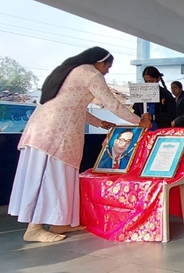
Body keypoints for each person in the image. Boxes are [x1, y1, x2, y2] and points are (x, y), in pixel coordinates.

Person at [9, 47, 151, 243]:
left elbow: (74, 107)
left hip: (43, 132)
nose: (107, 71)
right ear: (99, 62)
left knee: (57, 180)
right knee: (49, 179)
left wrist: (99, 123)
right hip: (55, 136)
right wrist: (139, 121)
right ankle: (34, 228)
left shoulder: (69, 72)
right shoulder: (91, 73)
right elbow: (112, 103)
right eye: (107, 66)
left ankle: (59, 222)